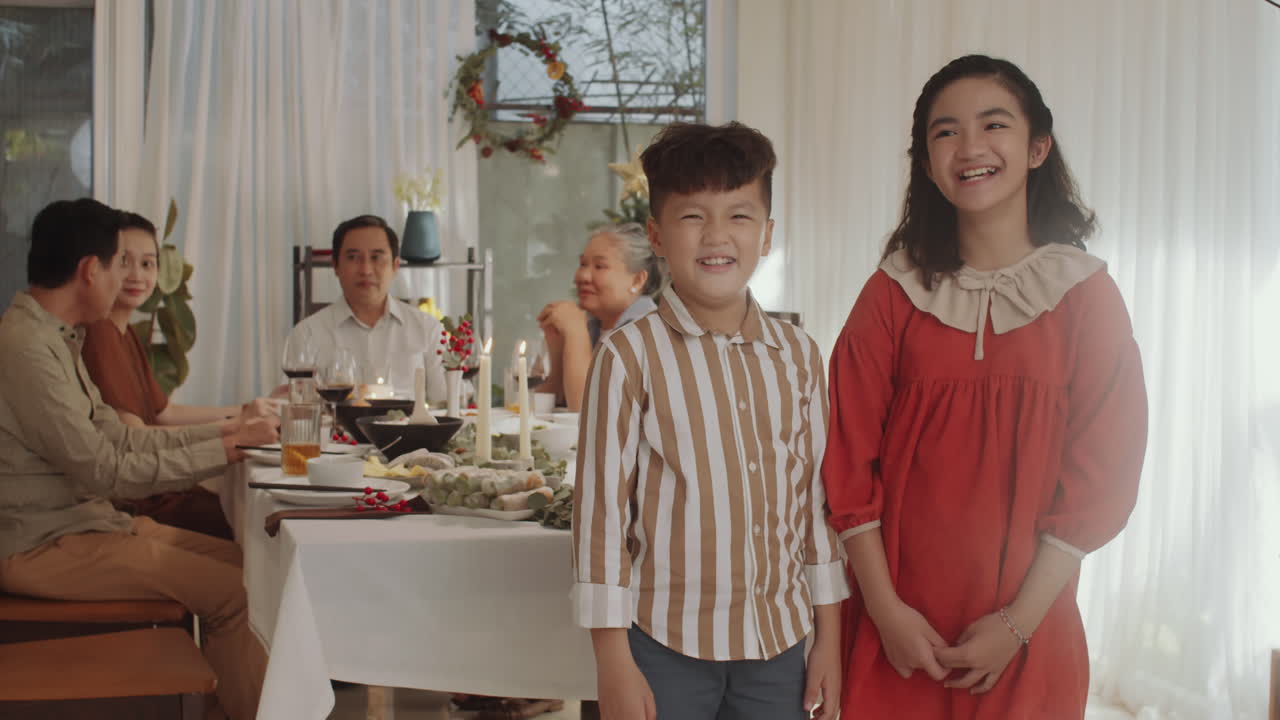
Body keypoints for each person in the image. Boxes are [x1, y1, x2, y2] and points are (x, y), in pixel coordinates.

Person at [822, 55, 1148, 719]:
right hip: (897, 632)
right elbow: (846, 462)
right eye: (945, 132)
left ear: (1036, 148)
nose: (968, 147)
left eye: (992, 125)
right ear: (926, 160)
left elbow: (1102, 477)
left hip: (1029, 631)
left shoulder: (1087, 296)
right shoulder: (892, 293)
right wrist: (884, 613)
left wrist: (1018, 626)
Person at [573, 122, 849, 720]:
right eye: (693, 216)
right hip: (664, 643)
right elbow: (599, 518)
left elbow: (816, 505)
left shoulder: (798, 353)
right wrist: (612, 662)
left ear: (768, 234)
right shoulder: (628, 355)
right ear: (657, 236)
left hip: (777, 642)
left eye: (740, 216)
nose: (717, 236)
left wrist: (829, 636)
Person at [0, 198, 277, 720]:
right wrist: (226, 449)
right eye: (118, 264)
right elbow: (106, 468)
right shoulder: (25, 348)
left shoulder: (56, 337)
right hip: (42, 545)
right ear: (90, 270)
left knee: (255, 569)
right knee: (238, 594)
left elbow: (122, 440)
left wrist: (231, 439)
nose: (127, 276)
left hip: (87, 525)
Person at [80, 210, 277, 538]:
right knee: (256, 524)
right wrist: (237, 429)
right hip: (137, 497)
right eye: (124, 262)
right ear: (99, 266)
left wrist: (244, 410)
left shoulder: (125, 332)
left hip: (157, 487)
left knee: (255, 512)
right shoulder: (98, 334)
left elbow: (166, 412)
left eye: (148, 264)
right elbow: (136, 436)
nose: (137, 276)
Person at [284, 214, 447, 403]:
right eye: (353, 257)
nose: (366, 270)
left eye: (376, 257)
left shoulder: (427, 329)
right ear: (335, 266)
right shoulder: (307, 334)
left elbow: (443, 405)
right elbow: (296, 410)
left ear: (395, 266)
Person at [536, 223, 665, 411]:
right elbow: (544, 411)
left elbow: (592, 417)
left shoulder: (650, 333)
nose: (582, 276)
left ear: (637, 280)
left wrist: (575, 333)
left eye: (599, 266)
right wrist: (557, 351)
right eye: (582, 264)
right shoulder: (592, 326)